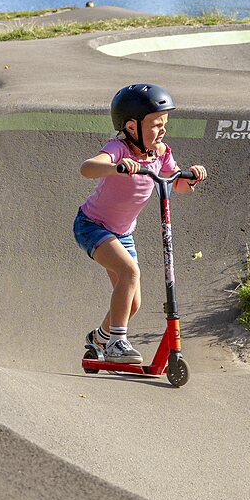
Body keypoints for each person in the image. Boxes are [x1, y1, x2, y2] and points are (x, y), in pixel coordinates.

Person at [75, 84, 207, 364]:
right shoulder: (118, 148)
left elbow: (178, 186)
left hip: (122, 233)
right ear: (132, 127)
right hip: (92, 225)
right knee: (130, 272)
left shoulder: (160, 153)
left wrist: (192, 176)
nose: (162, 130)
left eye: (164, 124)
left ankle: (100, 338)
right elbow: (87, 168)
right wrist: (116, 167)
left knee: (133, 303)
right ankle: (116, 343)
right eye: (156, 124)